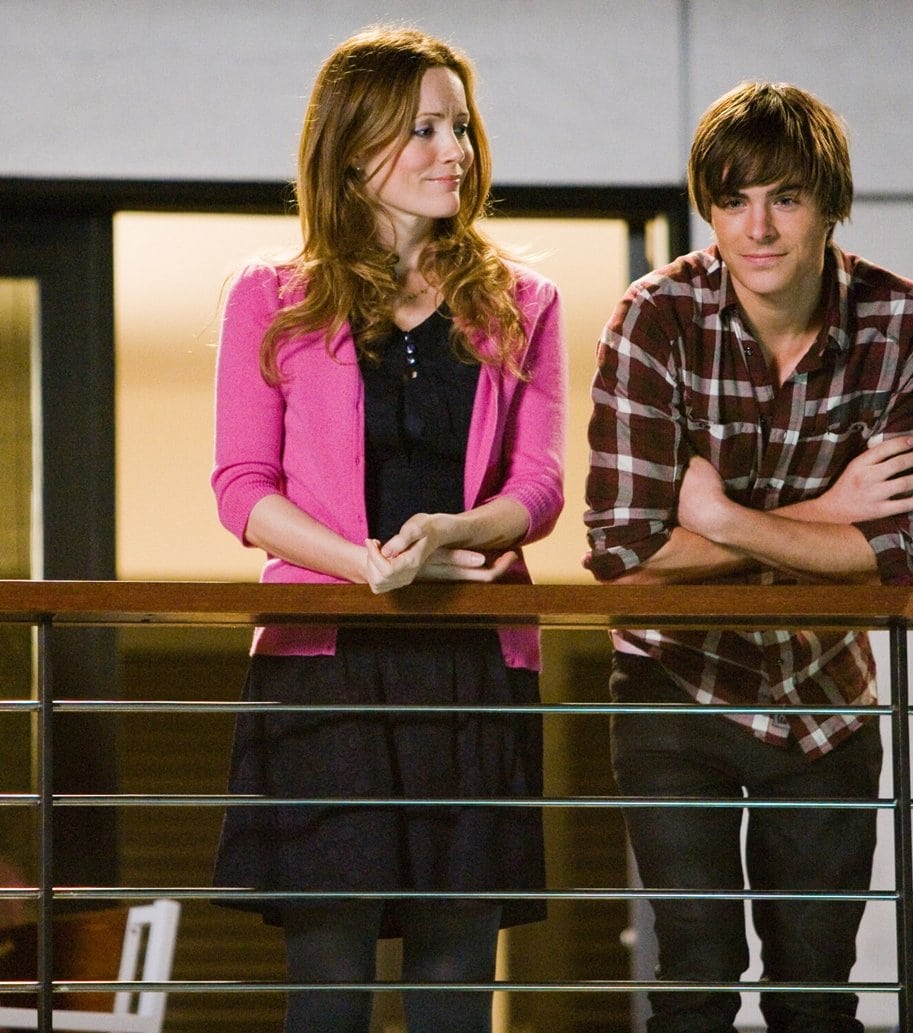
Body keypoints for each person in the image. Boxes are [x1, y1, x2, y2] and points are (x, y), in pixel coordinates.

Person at [210, 26, 566, 1033]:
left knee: (455, 986)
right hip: (324, 667)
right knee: (329, 985)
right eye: (423, 129)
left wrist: (455, 530)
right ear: (353, 147)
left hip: (472, 663)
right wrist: (361, 564)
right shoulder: (269, 297)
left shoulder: (525, 302)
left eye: (461, 126)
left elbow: (540, 487)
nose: (455, 150)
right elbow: (242, 489)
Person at [585, 81, 913, 1033]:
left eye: (785, 198)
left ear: (830, 205)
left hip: (825, 696)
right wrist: (825, 515)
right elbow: (623, 550)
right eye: (733, 200)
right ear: (709, 209)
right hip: (674, 683)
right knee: (697, 982)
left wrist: (722, 518)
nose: (757, 228)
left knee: (814, 996)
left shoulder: (901, 323)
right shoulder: (655, 317)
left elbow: (897, 552)